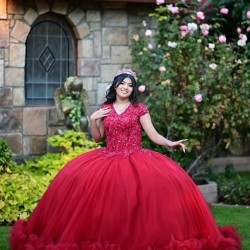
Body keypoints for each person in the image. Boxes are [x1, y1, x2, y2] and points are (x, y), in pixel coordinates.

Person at [10, 69, 241, 250]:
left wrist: (170, 143)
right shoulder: (105, 109)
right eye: (122, 83)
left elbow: (152, 134)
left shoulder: (139, 109)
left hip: (136, 158)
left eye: (130, 85)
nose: (126, 87)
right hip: (108, 157)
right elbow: (97, 138)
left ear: (133, 89)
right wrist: (93, 119)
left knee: (139, 203)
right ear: (115, 85)